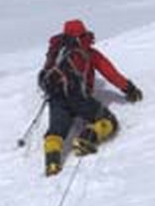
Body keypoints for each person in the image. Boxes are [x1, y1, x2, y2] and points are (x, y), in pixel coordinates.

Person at [37, 19, 143, 176]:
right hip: (79, 97)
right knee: (109, 121)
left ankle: (52, 162)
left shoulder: (56, 51)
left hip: (56, 97)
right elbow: (111, 74)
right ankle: (87, 139)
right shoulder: (89, 53)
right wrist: (129, 89)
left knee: (56, 132)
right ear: (83, 33)